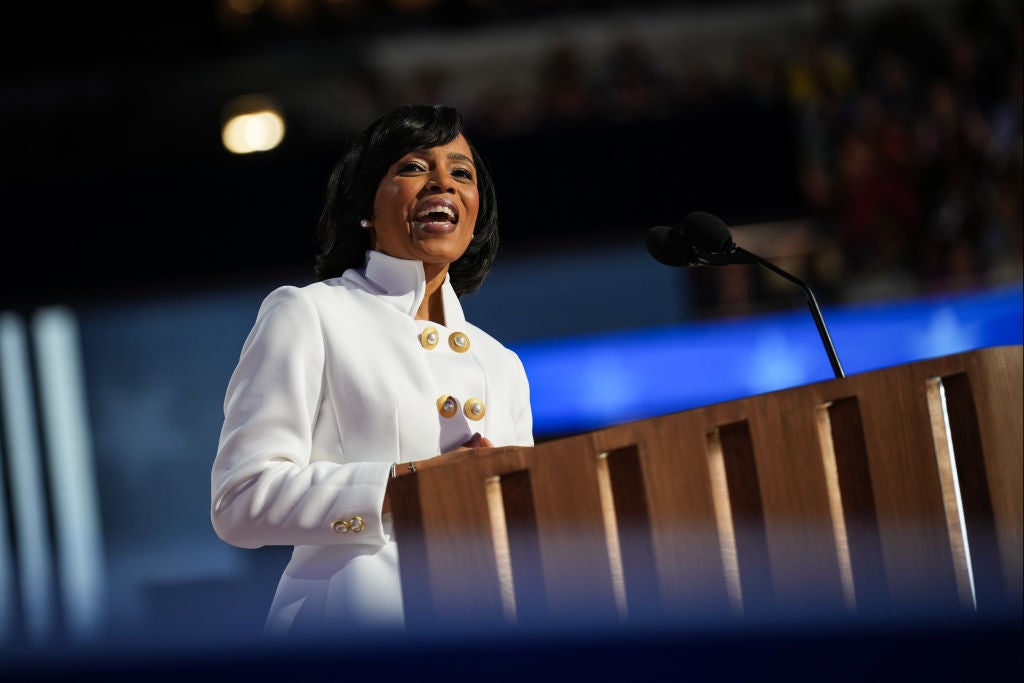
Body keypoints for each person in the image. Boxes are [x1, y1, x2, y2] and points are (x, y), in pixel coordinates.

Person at [210, 104, 534, 637]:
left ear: (477, 213)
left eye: (462, 173)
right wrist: (406, 485)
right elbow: (240, 500)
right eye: (412, 167)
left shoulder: (502, 364)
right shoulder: (310, 312)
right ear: (364, 203)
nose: (442, 184)